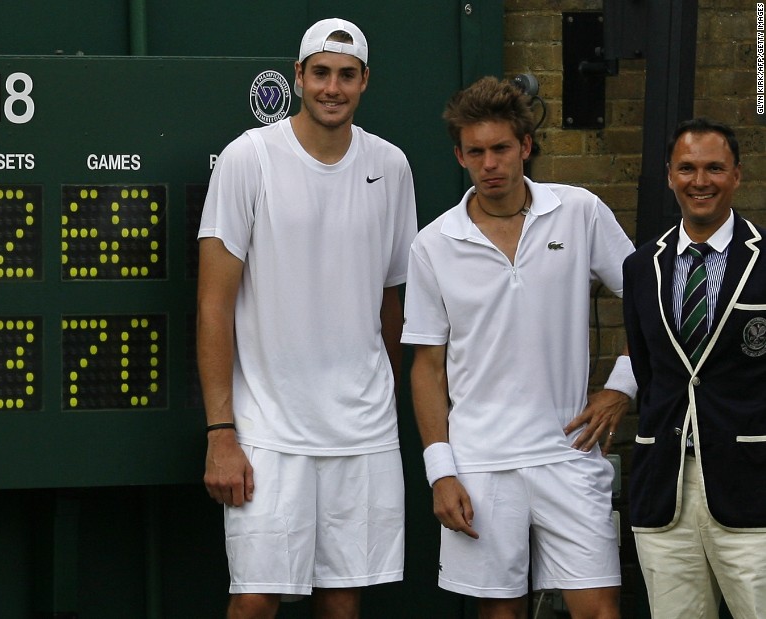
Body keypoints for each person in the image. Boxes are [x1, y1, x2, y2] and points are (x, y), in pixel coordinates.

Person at [196, 17, 417, 619]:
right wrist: (221, 433)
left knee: (343, 603)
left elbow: (393, 300)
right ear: (298, 77)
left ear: (365, 82)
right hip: (267, 429)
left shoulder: (391, 166)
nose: (332, 87)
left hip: (363, 431)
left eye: (347, 75)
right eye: (320, 73)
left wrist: (383, 398)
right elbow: (213, 304)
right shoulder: (249, 157)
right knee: (255, 603)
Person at [401, 76, 635, 619]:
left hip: (568, 452)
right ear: (460, 155)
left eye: (501, 148)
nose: (491, 164)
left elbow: (651, 300)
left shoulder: (579, 212)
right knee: (499, 615)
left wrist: (621, 387)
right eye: (476, 152)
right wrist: (442, 472)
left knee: (600, 610)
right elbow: (426, 368)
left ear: (525, 146)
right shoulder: (433, 244)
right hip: (479, 463)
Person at [622, 117, 766, 619]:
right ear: (669, 175)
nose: (699, 180)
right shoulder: (641, 267)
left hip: (752, 488)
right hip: (666, 489)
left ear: (736, 176)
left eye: (713, 168)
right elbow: (651, 371)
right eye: (686, 168)